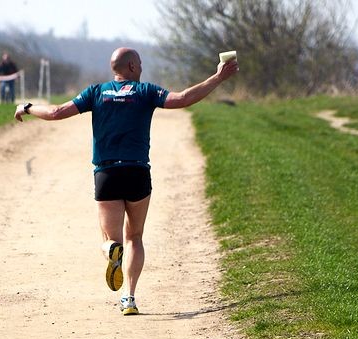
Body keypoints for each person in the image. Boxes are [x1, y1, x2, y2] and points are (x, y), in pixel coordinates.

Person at [14, 47, 239, 315]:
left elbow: (56, 112)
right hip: (137, 172)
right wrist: (216, 78)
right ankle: (129, 298)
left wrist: (27, 107)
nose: (142, 67)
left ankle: (111, 250)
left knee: (111, 238)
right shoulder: (145, 92)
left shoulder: (95, 92)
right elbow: (183, 99)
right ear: (132, 67)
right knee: (135, 236)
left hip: (107, 173)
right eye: (140, 63)